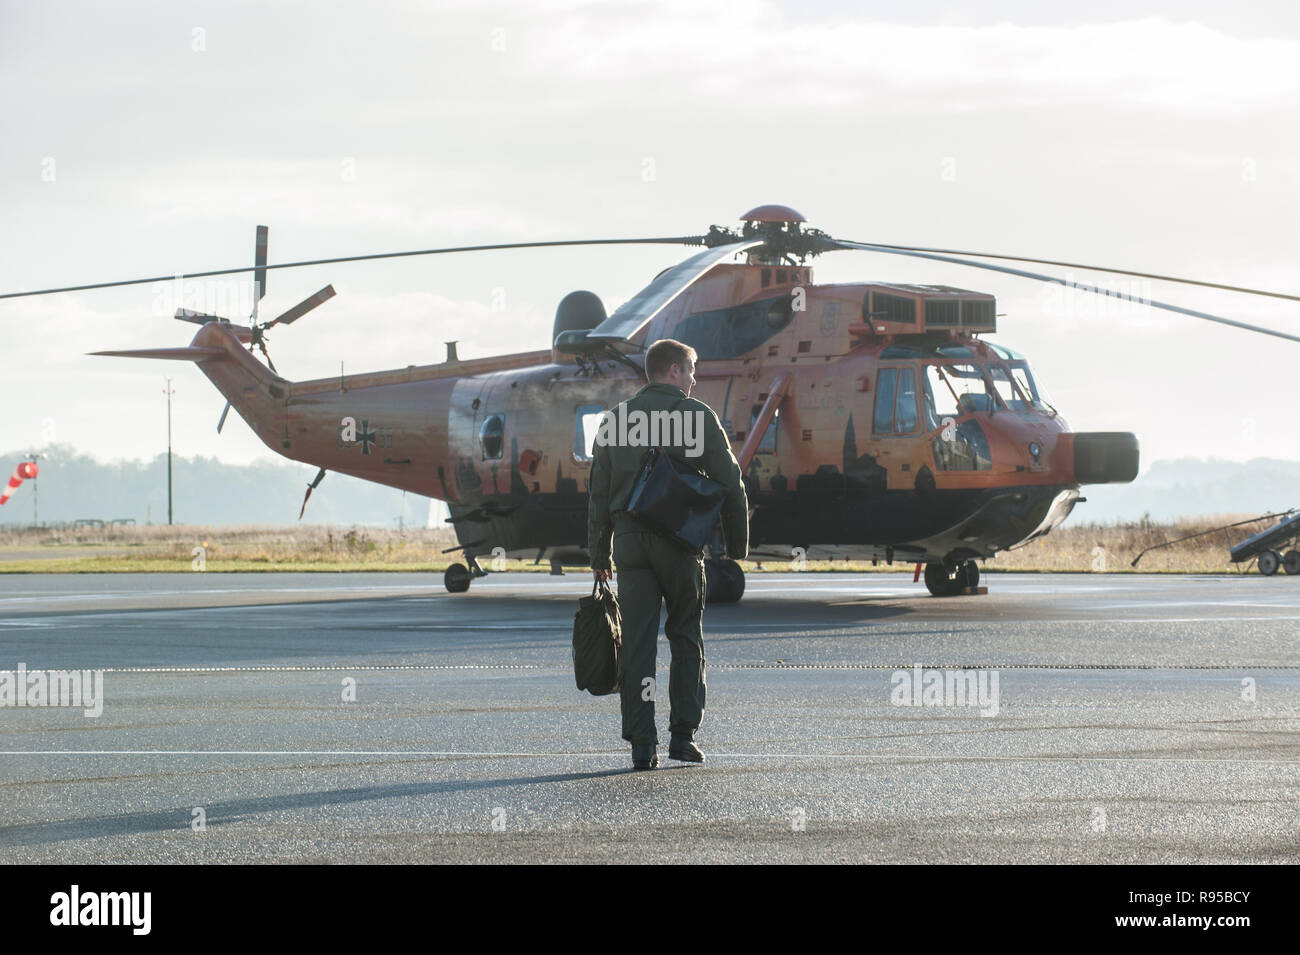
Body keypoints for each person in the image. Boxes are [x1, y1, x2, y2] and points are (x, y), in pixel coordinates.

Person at [587, 339, 748, 770]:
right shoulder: (697, 417)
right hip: (679, 543)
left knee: (637, 643)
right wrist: (736, 546)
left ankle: (642, 744)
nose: (694, 379)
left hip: (630, 544)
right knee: (685, 635)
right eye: (691, 370)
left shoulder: (615, 420)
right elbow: (730, 481)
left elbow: (598, 494)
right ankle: (683, 736)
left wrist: (598, 552)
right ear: (674, 371)